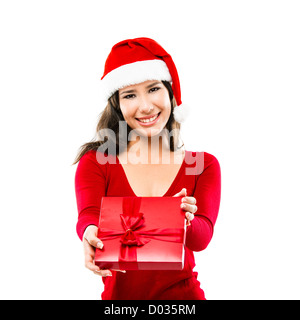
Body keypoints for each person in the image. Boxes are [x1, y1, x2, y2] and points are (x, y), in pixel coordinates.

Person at [74, 37, 221, 300]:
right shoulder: (97, 162)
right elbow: (88, 216)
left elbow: (202, 239)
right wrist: (89, 234)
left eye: (153, 89)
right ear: (118, 104)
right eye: (130, 94)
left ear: (170, 93)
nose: (145, 106)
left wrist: (185, 222)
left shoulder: (203, 165)